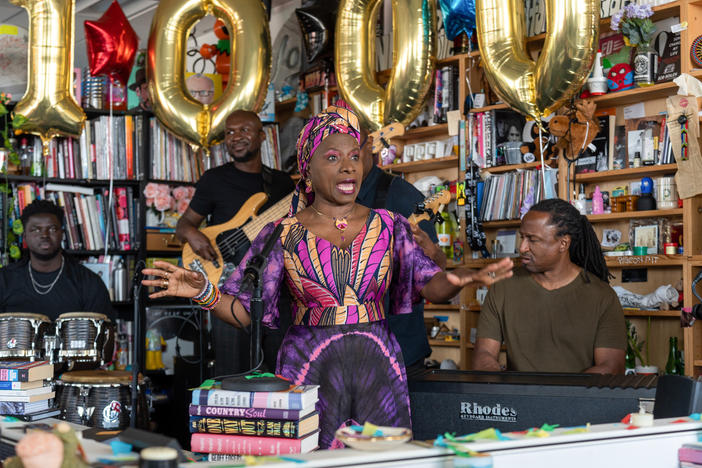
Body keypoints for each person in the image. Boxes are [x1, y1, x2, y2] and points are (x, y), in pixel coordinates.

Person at [145, 103, 513, 448]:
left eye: (355, 157)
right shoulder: (281, 233)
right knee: (314, 458)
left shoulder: (389, 225)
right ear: (308, 167)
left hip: (378, 364)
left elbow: (432, 287)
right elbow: (244, 312)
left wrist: (458, 279)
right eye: (333, 158)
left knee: (381, 461)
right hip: (309, 365)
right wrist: (201, 291)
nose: (348, 167)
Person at [175, 109, 295, 376]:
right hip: (228, 295)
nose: (235, 137)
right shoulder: (214, 179)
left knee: (283, 376)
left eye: (244, 130)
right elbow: (183, 226)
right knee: (231, 377)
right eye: (230, 132)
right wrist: (194, 236)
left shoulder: (281, 183)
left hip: (276, 294)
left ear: (262, 136)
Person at [473, 198, 626, 374]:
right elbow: (483, 354)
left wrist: (558, 396)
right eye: (522, 237)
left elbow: (611, 367)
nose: (522, 248)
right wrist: (497, 380)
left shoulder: (602, 296)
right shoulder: (502, 288)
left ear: (563, 243)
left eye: (533, 240)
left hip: (577, 399)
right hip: (516, 398)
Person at [355, 127, 447, 374]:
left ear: (370, 145)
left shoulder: (402, 196)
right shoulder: (326, 199)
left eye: (353, 149)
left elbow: (432, 271)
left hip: (396, 358)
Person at [0, 200, 113, 320]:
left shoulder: (89, 283)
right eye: (36, 230)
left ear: (62, 234)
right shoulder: (4, 280)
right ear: (25, 237)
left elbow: (102, 335)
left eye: (52, 229)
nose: (44, 235)